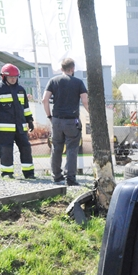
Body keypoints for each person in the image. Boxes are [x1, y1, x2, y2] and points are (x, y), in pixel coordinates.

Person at [42, 58, 89, 186]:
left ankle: (56, 177)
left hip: (56, 120)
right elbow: (85, 101)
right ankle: (70, 178)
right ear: (72, 68)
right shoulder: (78, 82)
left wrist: (49, 116)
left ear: (61, 69)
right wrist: (91, 114)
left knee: (56, 148)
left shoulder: (53, 81)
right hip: (71, 121)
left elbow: (44, 99)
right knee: (72, 149)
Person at [0, 64, 35, 179]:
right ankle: (7, 173)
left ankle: (29, 174)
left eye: (15, 77)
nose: (13, 79)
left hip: (20, 127)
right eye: (11, 77)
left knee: (26, 148)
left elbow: (26, 107)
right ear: (4, 77)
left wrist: (29, 120)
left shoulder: (21, 90)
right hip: (4, 129)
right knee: (6, 150)